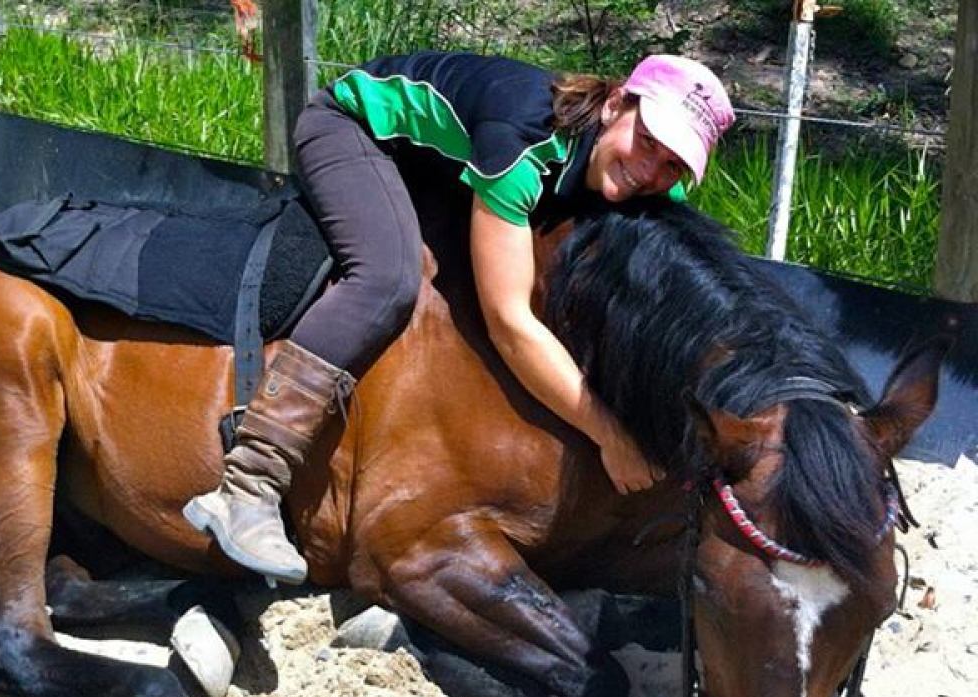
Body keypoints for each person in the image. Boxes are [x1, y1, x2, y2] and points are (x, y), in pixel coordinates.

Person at [184, 51, 735, 584]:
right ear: (616, 104)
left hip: (445, 164)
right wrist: (608, 434)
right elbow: (509, 323)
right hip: (353, 130)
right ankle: (249, 483)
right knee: (385, 280)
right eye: (647, 140)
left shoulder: (652, 180)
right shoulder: (522, 139)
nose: (649, 170)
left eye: (672, 163)